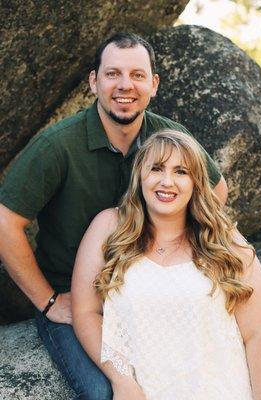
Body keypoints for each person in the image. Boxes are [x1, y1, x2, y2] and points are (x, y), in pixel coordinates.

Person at [0, 33, 227, 399]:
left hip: (145, 294)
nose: (125, 85)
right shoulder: (58, 146)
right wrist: (48, 301)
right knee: (104, 391)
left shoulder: (169, 136)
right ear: (94, 82)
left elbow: (216, 191)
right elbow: (5, 222)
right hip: (76, 301)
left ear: (153, 84)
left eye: (137, 75)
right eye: (112, 74)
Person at [72, 129, 261, 400]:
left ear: (196, 181)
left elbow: (259, 333)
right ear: (140, 175)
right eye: (157, 169)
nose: (167, 182)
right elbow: (85, 312)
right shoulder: (108, 227)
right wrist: (122, 380)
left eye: (181, 172)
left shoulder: (224, 239)